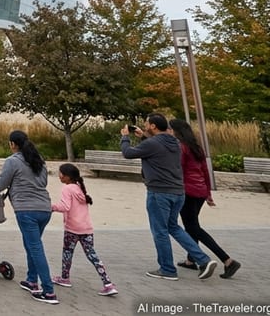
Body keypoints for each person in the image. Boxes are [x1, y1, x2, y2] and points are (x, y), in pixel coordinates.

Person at [121, 114, 218, 281]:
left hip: (159, 192)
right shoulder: (176, 142)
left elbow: (128, 153)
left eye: (147, 124)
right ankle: (203, 259)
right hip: (178, 192)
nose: (145, 126)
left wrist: (125, 137)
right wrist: (143, 136)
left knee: (160, 231)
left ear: (153, 126)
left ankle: (167, 269)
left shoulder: (153, 143)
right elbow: (158, 147)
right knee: (174, 227)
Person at [0, 130, 57, 304]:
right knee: (31, 244)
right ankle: (31, 280)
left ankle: (48, 291)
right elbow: (43, 182)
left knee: (35, 248)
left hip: (26, 210)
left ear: (13, 144)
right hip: (44, 209)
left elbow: (2, 182)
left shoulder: (12, 161)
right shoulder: (38, 159)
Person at [169, 118, 240, 278]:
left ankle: (227, 260)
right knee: (192, 225)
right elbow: (205, 171)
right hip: (200, 191)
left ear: (176, 131)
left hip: (187, 191)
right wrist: (208, 193)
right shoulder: (196, 148)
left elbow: (178, 170)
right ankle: (190, 260)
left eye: (170, 129)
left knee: (193, 227)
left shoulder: (181, 148)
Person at [50, 163, 118, 296]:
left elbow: (65, 207)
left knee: (67, 253)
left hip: (72, 228)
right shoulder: (79, 187)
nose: (59, 176)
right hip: (86, 228)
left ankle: (65, 278)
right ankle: (108, 283)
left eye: (61, 173)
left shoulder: (67, 188)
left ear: (67, 176)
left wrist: (51, 207)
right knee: (92, 255)